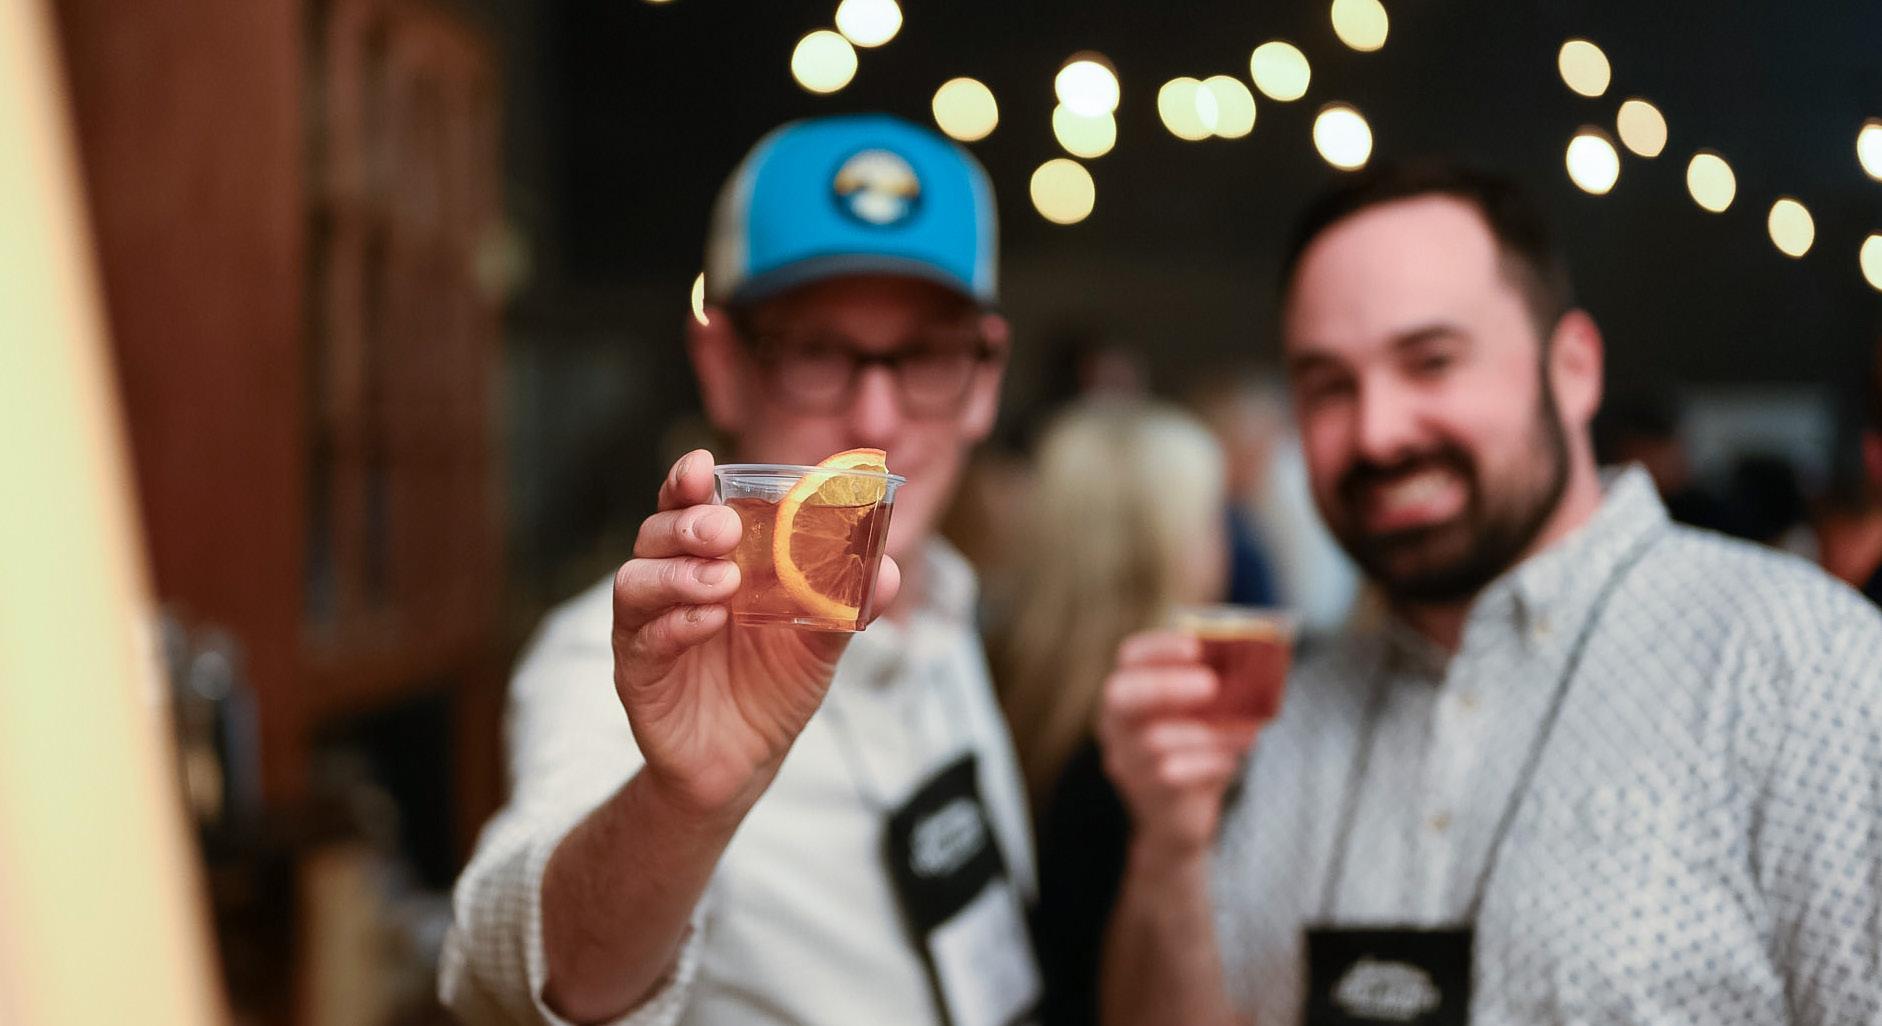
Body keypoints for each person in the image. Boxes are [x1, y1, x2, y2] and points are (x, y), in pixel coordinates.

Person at [1099, 163, 1882, 1025]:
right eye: (1328, 385)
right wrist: (1169, 851)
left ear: (1573, 368)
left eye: (1432, 362)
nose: (1378, 432)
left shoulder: (1805, 668)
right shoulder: (1292, 717)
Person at [440, 114, 1041, 1026]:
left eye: (927, 354)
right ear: (721, 365)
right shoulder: (636, 657)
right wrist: (681, 807)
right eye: (817, 351)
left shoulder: (949, 606)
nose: (877, 419)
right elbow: (510, 972)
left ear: (985, 380)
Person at [988, 398, 1228, 1026]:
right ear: (1162, 549)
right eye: (1212, 517)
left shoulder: (993, 682)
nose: (1223, 542)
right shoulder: (1157, 754)